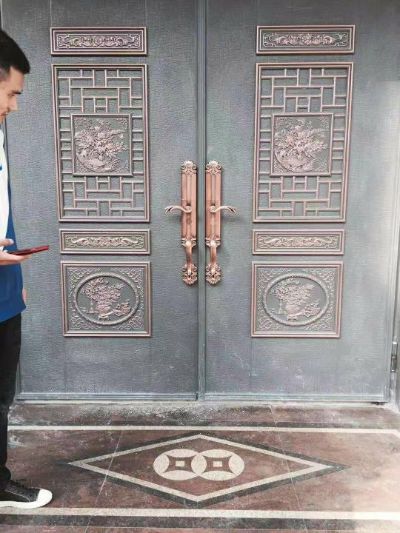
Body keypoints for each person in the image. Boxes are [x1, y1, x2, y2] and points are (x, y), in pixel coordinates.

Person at [0, 30, 52, 509]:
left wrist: (16, 284)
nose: (14, 106)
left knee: (0, 397)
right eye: (12, 93)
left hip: (2, 291)